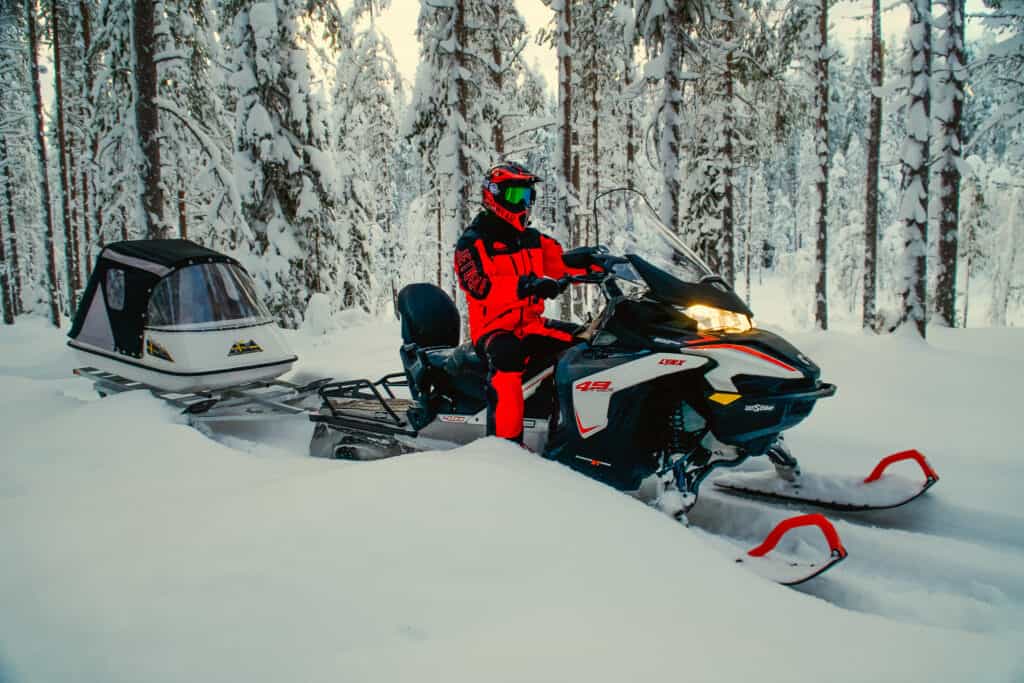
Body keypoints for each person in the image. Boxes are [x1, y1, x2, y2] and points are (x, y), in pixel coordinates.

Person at [454, 163, 587, 444]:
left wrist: (598, 263)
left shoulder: (532, 240)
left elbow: (562, 264)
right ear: (494, 195)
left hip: (530, 325)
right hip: (494, 330)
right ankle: (506, 445)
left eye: (527, 196)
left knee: (587, 342)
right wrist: (527, 285)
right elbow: (479, 286)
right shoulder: (473, 243)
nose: (523, 204)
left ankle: (567, 432)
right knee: (508, 357)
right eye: (515, 196)